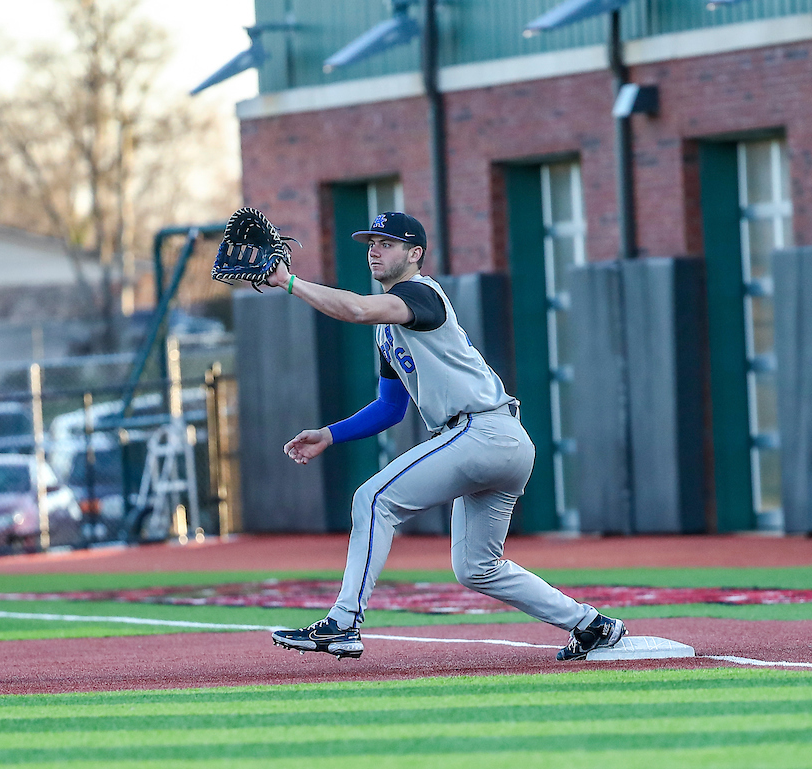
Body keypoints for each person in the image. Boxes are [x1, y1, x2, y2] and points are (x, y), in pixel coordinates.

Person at [263, 211, 626, 661]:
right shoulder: (387, 329)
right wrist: (328, 435)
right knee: (477, 568)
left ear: (414, 254)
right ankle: (592, 625)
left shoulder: (420, 293)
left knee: (373, 500)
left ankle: (342, 623)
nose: (374, 249)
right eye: (370, 242)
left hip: (481, 431)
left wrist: (289, 282)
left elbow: (355, 308)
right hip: (501, 441)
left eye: (387, 242)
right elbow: (389, 408)